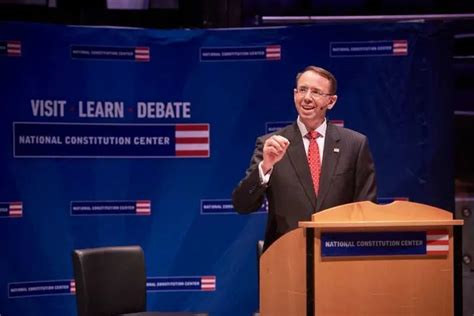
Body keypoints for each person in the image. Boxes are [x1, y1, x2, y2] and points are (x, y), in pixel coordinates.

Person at [232, 65, 377, 252]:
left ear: (331, 101)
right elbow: (242, 205)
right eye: (302, 90)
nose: (307, 98)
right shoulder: (271, 145)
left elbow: (366, 210)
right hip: (286, 260)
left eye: (316, 92)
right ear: (294, 94)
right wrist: (265, 166)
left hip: (340, 258)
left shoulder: (354, 145)